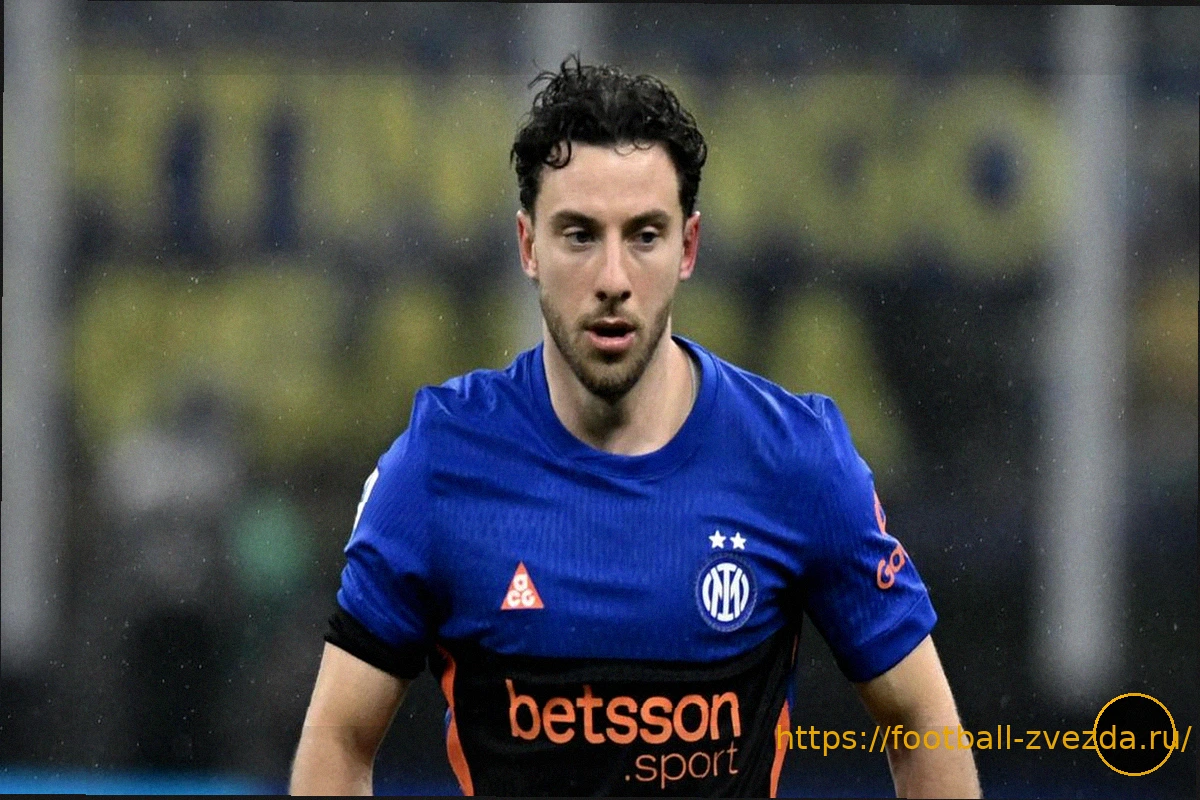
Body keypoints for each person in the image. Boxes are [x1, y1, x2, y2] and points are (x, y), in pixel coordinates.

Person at [290, 58, 980, 798]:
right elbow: (339, 738)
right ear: (528, 246)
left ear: (688, 247)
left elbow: (924, 724)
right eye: (579, 235)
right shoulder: (439, 464)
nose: (613, 279)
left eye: (645, 235)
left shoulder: (795, 460)